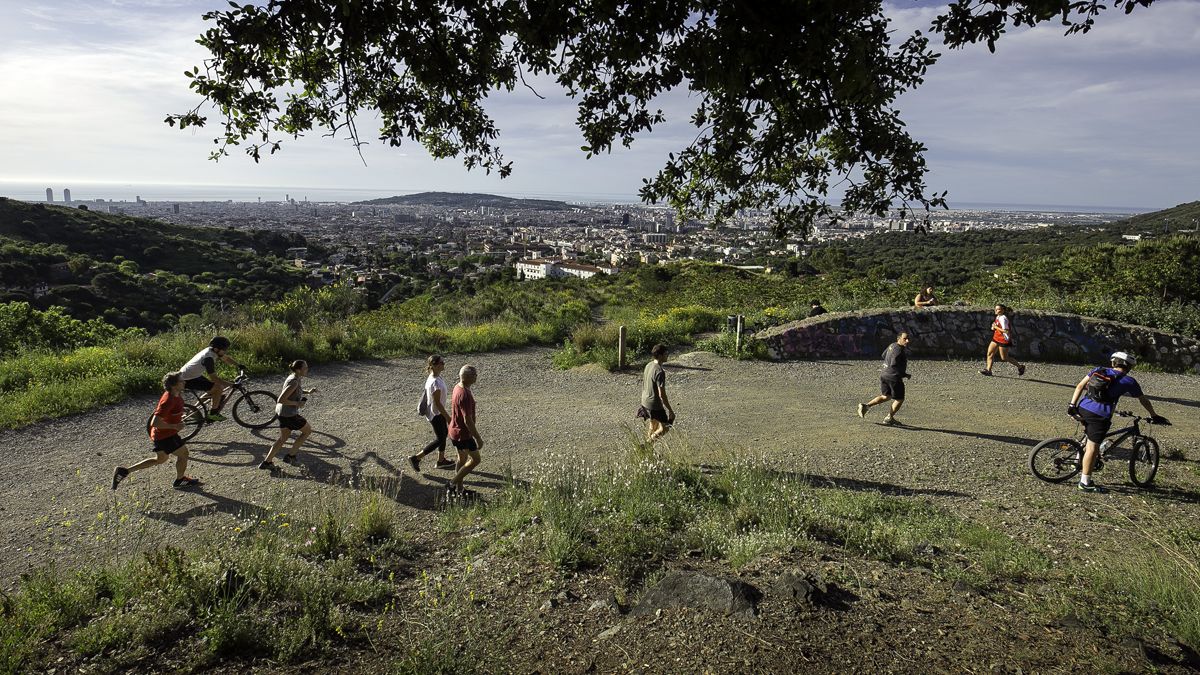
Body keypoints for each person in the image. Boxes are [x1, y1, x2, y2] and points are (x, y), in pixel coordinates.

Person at [1067, 352, 1169, 493]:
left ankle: (1078, 461)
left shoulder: (1098, 370)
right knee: (1093, 447)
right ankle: (1085, 482)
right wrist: (1154, 415)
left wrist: (1072, 406)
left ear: (1114, 362)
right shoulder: (1129, 381)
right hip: (1100, 415)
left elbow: (1079, 386)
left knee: (1088, 434)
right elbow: (1143, 400)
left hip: (1083, 407)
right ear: (1129, 367)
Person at [112, 372, 202, 490]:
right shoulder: (168, 400)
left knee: (161, 459)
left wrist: (181, 412)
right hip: (165, 436)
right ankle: (180, 480)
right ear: (174, 385)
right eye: (181, 381)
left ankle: (124, 471)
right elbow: (154, 422)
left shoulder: (176, 394)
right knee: (184, 453)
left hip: (161, 435)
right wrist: (175, 426)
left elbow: (174, 409)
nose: (184, 382)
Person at [259, 360, 316, 469]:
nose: (307, 370)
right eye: (305, 368)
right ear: (299, 370)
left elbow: (294, 391)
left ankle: (267, 462)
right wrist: (297, 403)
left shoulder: (294, 377)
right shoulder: (294, 381)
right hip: (289, 415)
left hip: (282, 413)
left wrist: (307, 392)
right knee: (307, 431)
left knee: (283, 438)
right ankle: (291, 456)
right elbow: (281, 399)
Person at [408, 354, 456, 472]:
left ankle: (441, 460)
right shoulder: (435, 382)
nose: (443, 364)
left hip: (435, 413)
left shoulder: (433, 377)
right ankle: (416, 458)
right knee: (440, 439)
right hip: (436, 414)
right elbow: (438, 404)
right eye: (441, 363)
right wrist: (448, 417)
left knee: (443, 435)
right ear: (434, 365)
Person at [179, 336, 243, 422]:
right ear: (216, 349)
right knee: (218, 388)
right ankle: (213, 414)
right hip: (187, 379)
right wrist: (233, 385)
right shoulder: (208, 359)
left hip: (190, 375)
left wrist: (238, 365)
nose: (225, 351)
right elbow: (215, 379)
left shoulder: (212, 351)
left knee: (213, 391)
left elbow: (226, 358)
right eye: (224, 349)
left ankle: (192, 411)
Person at [857, 332, 911, 426]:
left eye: (908, 339)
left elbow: (883, 355)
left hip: (884, 374)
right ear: (899, 338)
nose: (907, 341)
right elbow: (894, 364)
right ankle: (889, 418)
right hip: (894, 377)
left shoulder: (892, 345)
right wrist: (904, 374)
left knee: (886, 396)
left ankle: (865, 406)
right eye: (905, 339)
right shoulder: (899, 350)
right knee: (899, 399)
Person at [447, 364, 484, 496]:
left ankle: (460, 489)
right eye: (474, 375)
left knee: (461, 460)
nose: (476, 377)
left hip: (454, 430)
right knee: (476, 459)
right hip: (463, 434)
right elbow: (467, 420)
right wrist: (478, 438)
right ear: (467, 377)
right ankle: (452, 483)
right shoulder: (465, 395)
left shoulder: (458, 387)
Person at [637, 344, 675, 442]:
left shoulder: (649, 365)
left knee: (653, 424)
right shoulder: (659, 371)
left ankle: (649, 450)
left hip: (645, 402)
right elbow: (661, 395)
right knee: (665, 427)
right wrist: (670, 410)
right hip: (655, 405)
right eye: (666, 353)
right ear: (660, 355)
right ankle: (647, 445)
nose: (667, 355)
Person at [980, 304, 1025, 376]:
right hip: (996, 338)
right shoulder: (998, 316)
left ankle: (1020, 367)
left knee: (1004, 358)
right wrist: (993, 327)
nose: (996, 310)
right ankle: (988, 370)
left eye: (998, 309)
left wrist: (996, 327)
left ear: (1003, 310)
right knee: (989, 354)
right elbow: (997, 327)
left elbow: (1006, 331)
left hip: (1004, 340)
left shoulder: (1003, 318)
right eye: (995, 309)